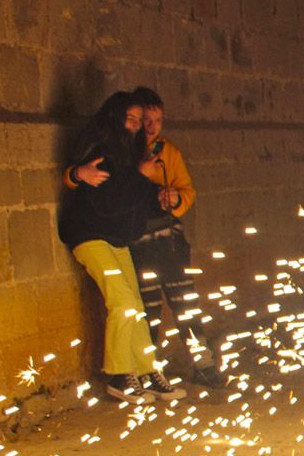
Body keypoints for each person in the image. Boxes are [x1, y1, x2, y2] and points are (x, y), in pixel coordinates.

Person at [67, 88, 224, 389]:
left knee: (178, 302)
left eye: (155, 120)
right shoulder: (120, 152)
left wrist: (173, 199)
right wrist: (77, 174)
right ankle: (133, 372)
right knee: (142, 304)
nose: (148, 126)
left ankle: (192, 365)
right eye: (140, 120)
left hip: (162, 240)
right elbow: (106, 190)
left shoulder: (166, 153)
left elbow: (181, 191)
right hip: (130, 239)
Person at [58, 91, 187, 404]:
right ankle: (119, 377)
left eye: (137, 120)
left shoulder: (130, 156)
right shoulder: (102, 150)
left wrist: (159, 200)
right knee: (124, 302)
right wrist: (81, 174)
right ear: (115, 117)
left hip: (115, 238)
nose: (134, 125)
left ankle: (147, 371)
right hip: (89, 235)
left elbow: (133, 198)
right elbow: (110, 199)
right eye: (129, 119)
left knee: (138, 308)